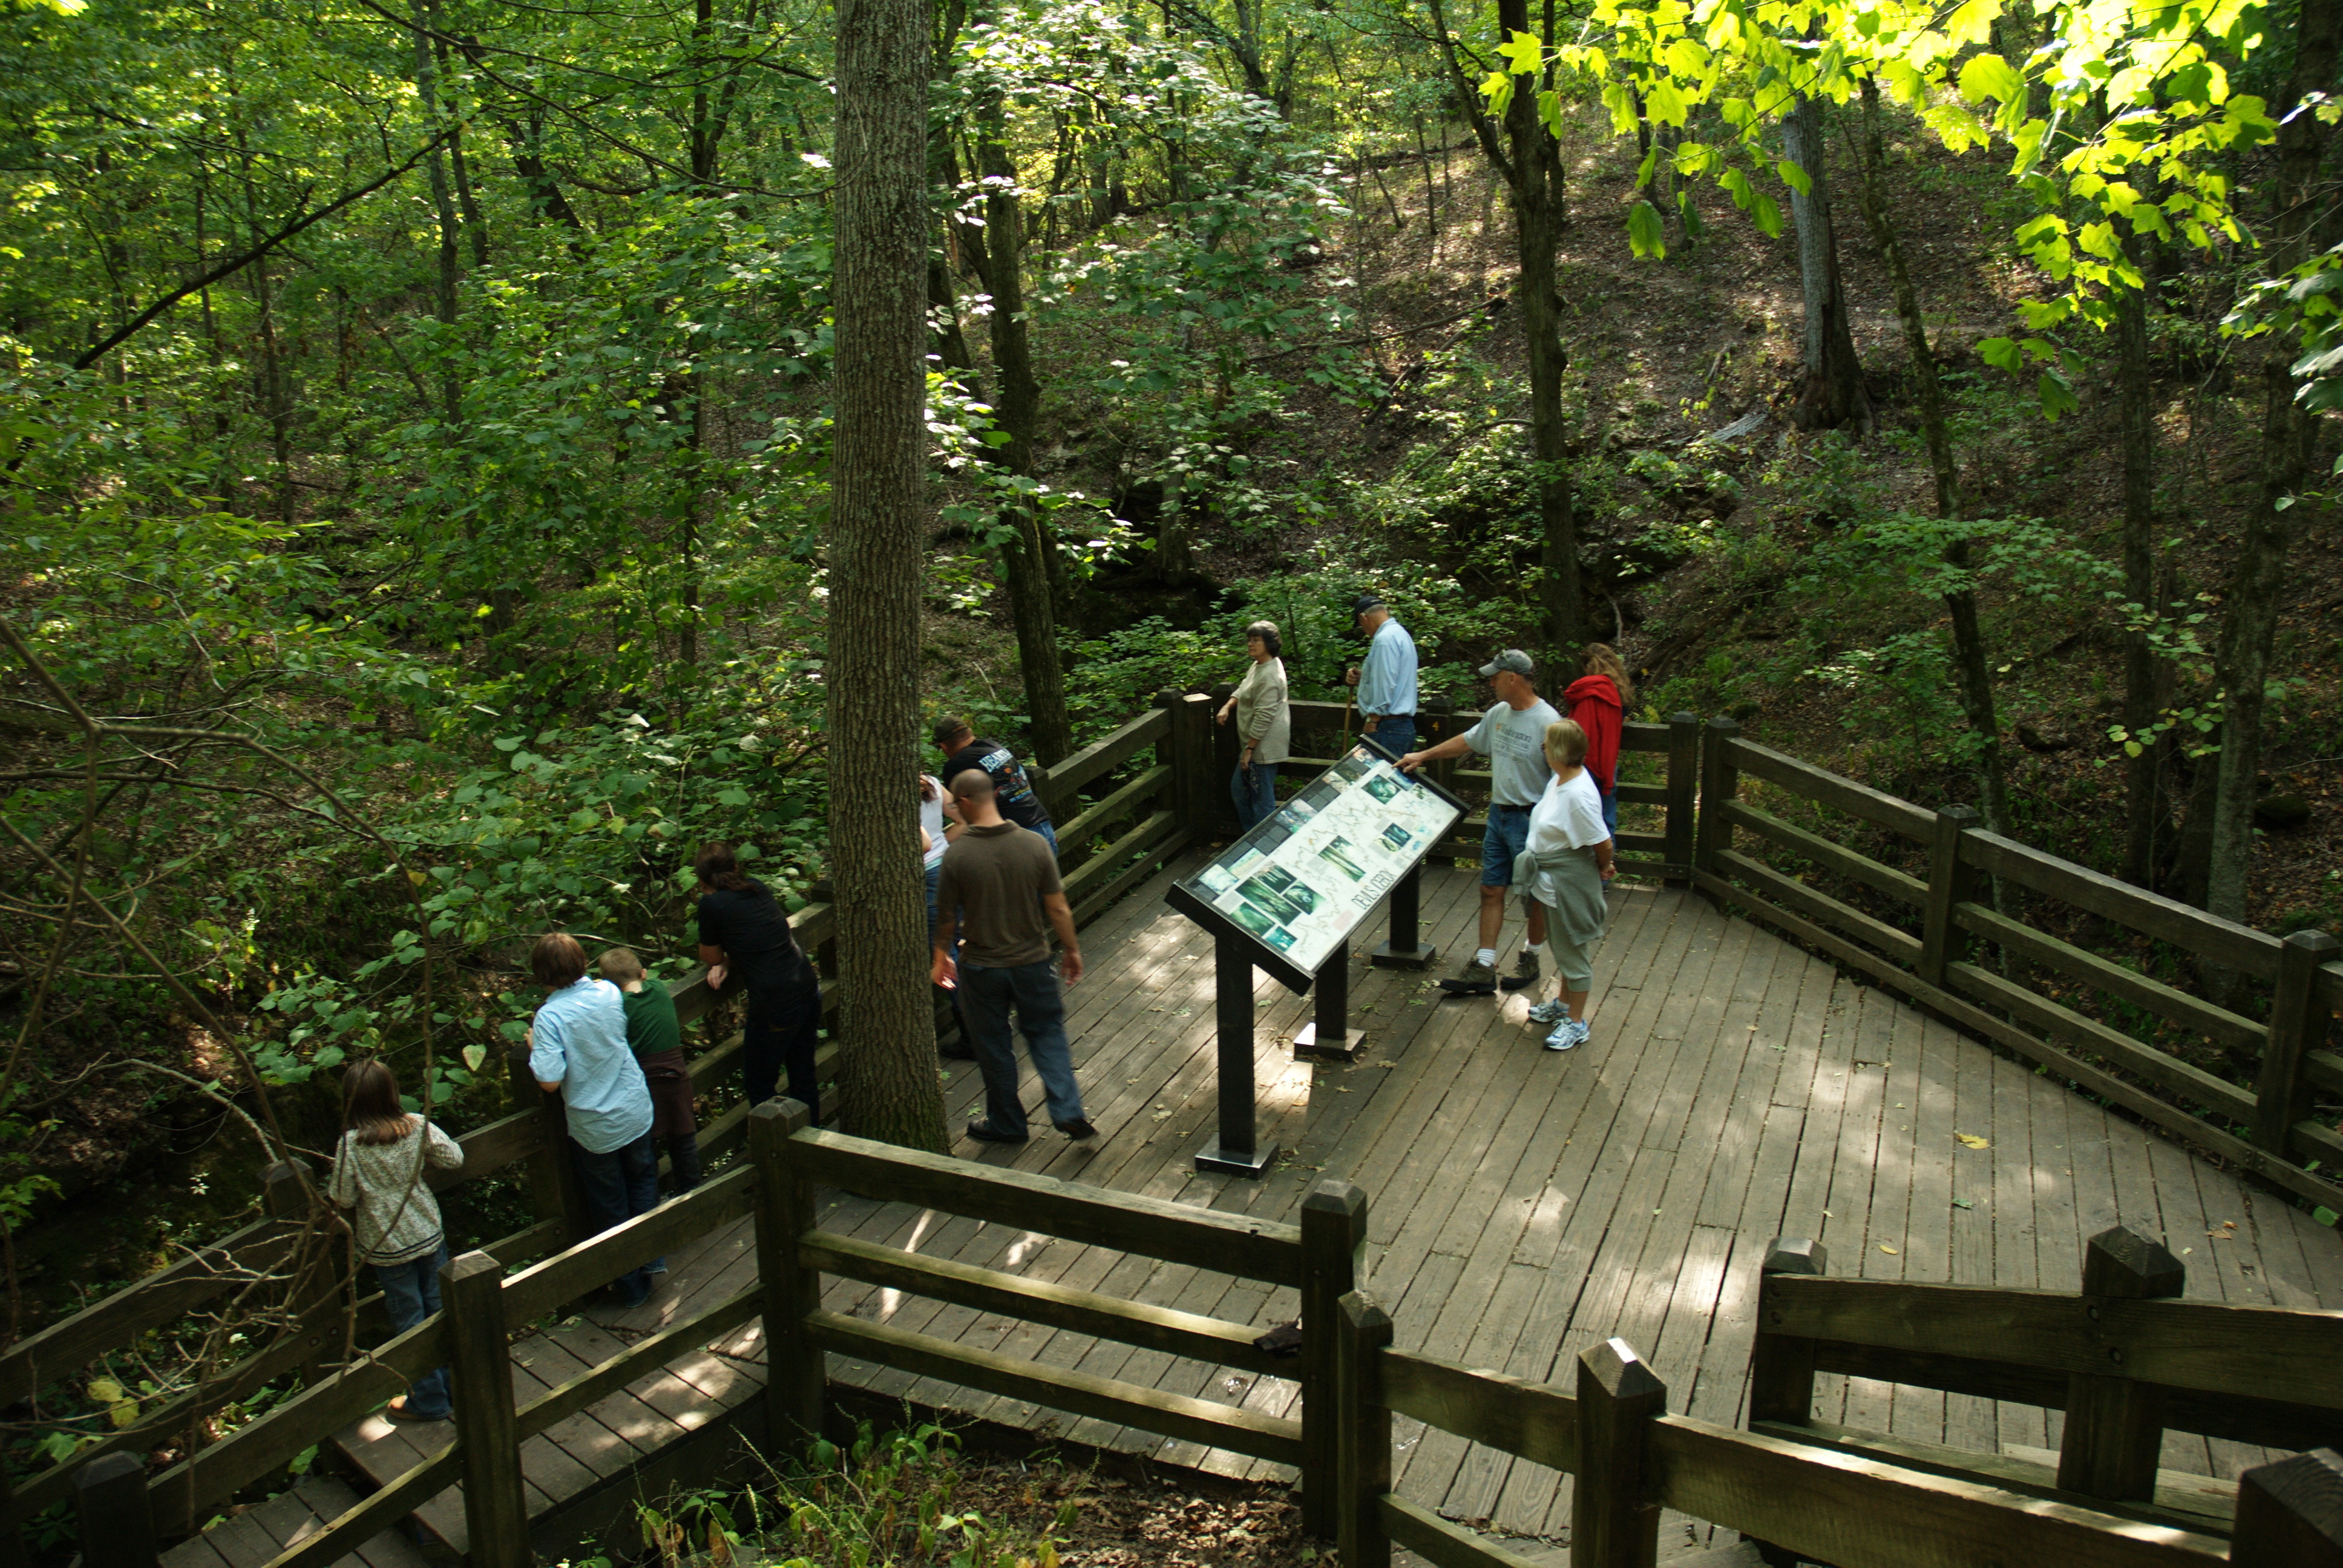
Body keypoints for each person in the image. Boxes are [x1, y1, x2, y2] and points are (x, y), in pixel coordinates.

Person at [930, 771, 1093, 1145]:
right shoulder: (1033, 845)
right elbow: (1058, 908)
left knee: (993, 1046)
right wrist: (1071, 949)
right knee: (1047, 1034)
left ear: (967, 802)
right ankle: (1068, 1110)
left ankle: (1007, 1122)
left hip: (982, 967)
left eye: (954, 804)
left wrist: (941, 957)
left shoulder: (957, 855)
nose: (954, 810)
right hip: (1032, 962)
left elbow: (945, 918)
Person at [1398, 650, 1563, 995]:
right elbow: (1469, 741)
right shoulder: (1499, 714)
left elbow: (1563, 777)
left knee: (1534, 896)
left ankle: (1531, 957)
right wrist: (1424, 755)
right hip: (1499, 815)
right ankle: (1485, 966)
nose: (1490, 682)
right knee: (1490, 888)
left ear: (1514, 678)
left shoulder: (1548, 721)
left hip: (1532, 818)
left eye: (1496, 676)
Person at [529, 931, 661, 1306]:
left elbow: (550, 1081)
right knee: (642, 1185)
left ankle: (632, 1289)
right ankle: (654, 1259)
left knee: (610, 1207)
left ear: (542, 974)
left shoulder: (549, 1017)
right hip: (634, 1109)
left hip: (596, 1125)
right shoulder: (607, 992)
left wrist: (535, 1048)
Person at [327, 1059, 464, 1422]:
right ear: (392, 1093)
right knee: (439, 1307)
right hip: (427, 1231)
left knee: (409, 1319)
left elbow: (343, 1197)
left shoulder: (351, 1145)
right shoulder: (416, 1126)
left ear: (351, 1101)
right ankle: (456, 1386)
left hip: (386, 1244)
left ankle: (430, 1399)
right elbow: (454, 1159)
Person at [695, 841, 824, 1123]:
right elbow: (760, 936)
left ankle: (776, 1152)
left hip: (776, 1002)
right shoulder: (756, 887)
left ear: (702, 880)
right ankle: (813, 1142)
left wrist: (722, 961)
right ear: (736, 867)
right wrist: (729, 961)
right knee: (803, 1074)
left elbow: (710, 954)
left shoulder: (712, 904)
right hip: (805, 983)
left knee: (760, 1082)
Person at [1518, 719, 1616, 1050]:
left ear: (1559, 751)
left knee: (1573, 951)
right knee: (1560, 945)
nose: (1543, 748)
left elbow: (1602, 842)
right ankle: (1561, 1005)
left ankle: (1576, 1022)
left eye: (1546, 743)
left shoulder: (1577, 795)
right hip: (1549, 879)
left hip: (1567, 883)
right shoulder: (1560, 779)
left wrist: (1605, 867)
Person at [597, 947, 699, 1195]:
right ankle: (691, 1190)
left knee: (647, 1144)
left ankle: (650, 1201)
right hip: (676, 1076)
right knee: (683, 1138)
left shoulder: (618, 1006)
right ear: (644, 973)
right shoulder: (660, 989)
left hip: (645, 1083)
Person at [932, 717, 1057, 851]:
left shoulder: (956, 765)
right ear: (969, 732)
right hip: (1042, 825)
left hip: (1012, 838)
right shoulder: (992, 746)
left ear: (943, 746)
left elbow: (965, 809)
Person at [1216, 620, 1291, 831]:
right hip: (1254, 746)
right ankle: (1251, 840)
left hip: (1263, 748)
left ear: (1269, 643)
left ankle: (1263, 846)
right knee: (1240, 792)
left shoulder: (1270, 674)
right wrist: (1228, 706)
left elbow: (1264, 716)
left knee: (1261, 800)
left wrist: (1250, 750)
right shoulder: (1259, 665)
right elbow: (1244, 687)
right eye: (1249, 640)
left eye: (1256, 640)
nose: (1250, 644)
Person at [922, 773, 975, 1061]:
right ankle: (988, 1023)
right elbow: (964, 821)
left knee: (944, 956)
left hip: (928, 875)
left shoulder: (893, 792)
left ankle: (973, 1036)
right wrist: (943, 840)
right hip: (949, 866)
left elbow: (924, 844)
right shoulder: (930, 782)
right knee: (960, 944)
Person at [1565, 644, 1634, 838]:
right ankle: (1606, 866)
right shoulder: (1618, 692)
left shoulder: (1589, 691)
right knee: (1605, 823)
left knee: (1581, 825)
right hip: (1608, 763)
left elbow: (1581, 731)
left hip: (1586, 765)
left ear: (1589, 666)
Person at [1345, 595, 1419, 760]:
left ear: (1364, 618)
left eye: (1361, 626)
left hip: (1387, 726)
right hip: (1400, 727)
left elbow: (1386, 684)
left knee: (1376, 782)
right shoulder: (1400, 634)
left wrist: (1373, 719)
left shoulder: (1384, 640)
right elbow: (1394, 676)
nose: (1365, 632)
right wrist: (1363, 678)